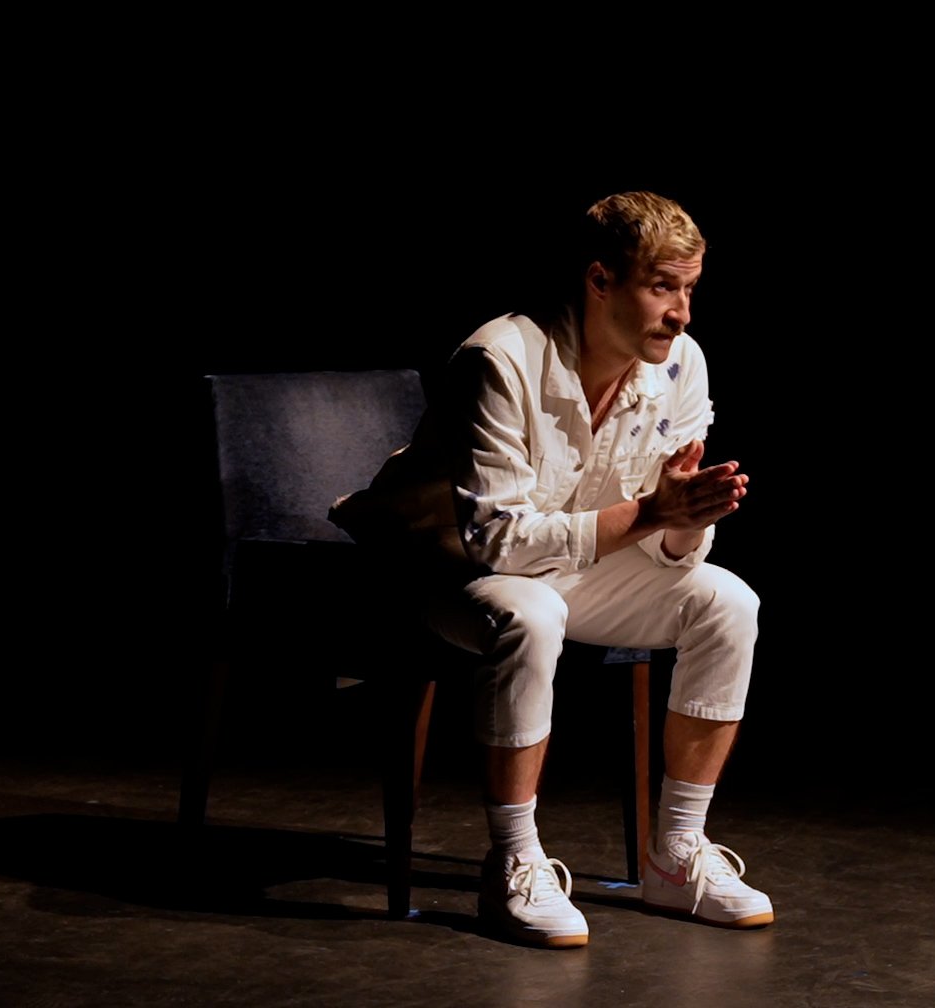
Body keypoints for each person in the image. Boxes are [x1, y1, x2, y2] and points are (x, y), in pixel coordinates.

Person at [330, 190, 769, 948]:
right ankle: (514, 863)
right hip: (440, 567)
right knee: (532, 613)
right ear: (601, 281)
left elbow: (668, 547)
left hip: (573, 564)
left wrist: (684, 523)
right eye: (662, 287)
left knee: (727, 602)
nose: (682, 313)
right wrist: (652, 515)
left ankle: (677, 854)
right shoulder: (499, 358)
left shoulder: (680, 365)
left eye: (690, 289)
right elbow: (497, 542)